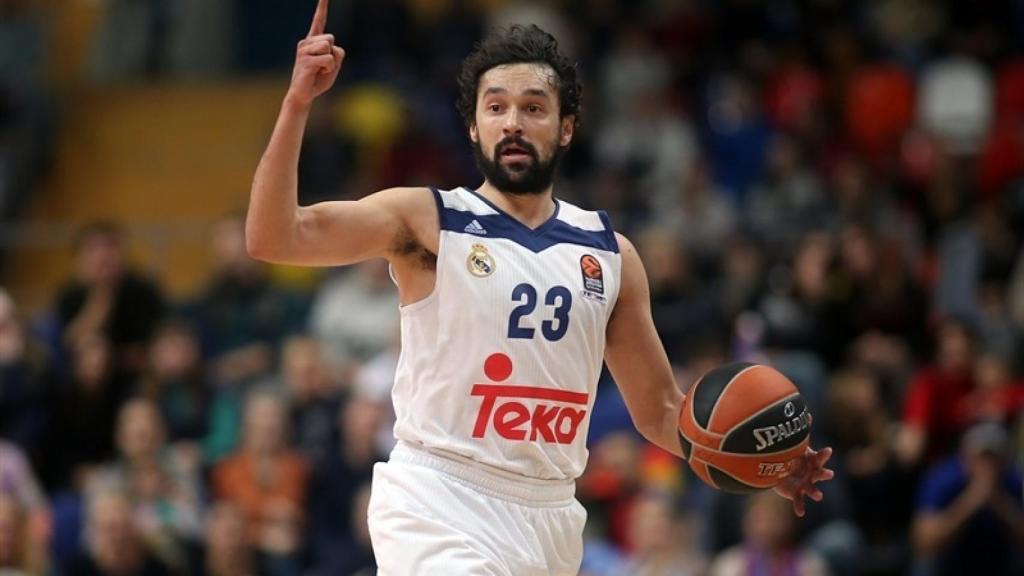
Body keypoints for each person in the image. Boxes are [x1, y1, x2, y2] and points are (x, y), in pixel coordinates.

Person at [245, 2, 834, 573]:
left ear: (566, 127)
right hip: (439, 495)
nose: (513, 122)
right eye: (496, 107)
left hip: (550, 514)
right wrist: (298, 103)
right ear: (474, 127)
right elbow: (276, 237)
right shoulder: (427, 220)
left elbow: (659, 411)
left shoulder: (611, 253)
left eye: (533, 107)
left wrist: (760, 457)